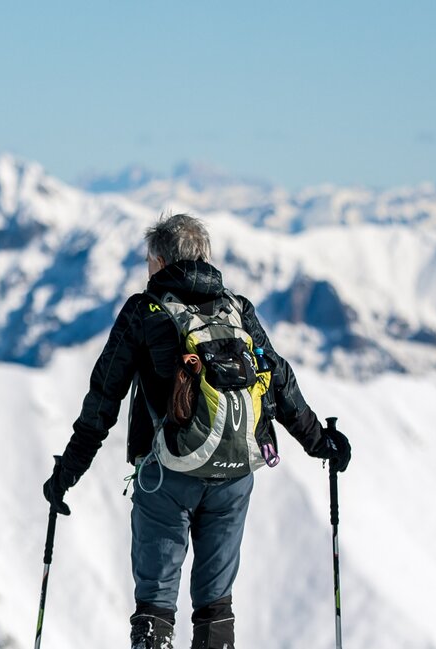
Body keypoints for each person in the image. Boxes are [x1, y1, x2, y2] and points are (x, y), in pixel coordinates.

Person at [42, 213, 352, 649]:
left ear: (162, 260)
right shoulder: (238, 309)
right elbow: (277, 380)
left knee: (155, 606)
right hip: (234, 476)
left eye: (150, 258)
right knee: (215, 607)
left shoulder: (144, 311)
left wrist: (67, 474)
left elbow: (102, 401)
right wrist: (321, 443)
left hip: (167, 476)